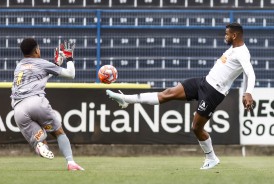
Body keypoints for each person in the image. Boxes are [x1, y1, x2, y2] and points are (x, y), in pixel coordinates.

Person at [106, 22, 256, 170]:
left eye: (227, 34)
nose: (225, 36)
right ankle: (125, 99)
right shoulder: (233, 49)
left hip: (213, 92)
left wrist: (248, 92)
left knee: (196, 128)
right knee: (167, 93)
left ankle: (211, 158)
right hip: (204, 82)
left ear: (234, 35)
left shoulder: (242, 52)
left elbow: (251, 73)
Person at [10, 38, 84, 171]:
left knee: (40, 140)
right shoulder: (42, 63)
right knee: (58, 132)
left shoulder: (19, 66)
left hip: (19, 110)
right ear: (37, 50)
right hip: (36, 102)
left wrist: (55, 64)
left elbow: (39, 75)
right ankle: (71, 162)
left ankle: (40, 146)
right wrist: (69, 59)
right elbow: (71, 74)